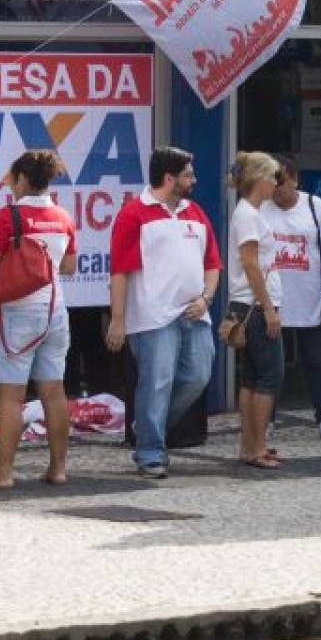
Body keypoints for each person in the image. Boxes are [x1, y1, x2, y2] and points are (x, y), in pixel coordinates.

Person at [106, 147, 222, 479]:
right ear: (169, 178)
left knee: (199, 375)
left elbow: (212, 264)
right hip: (152, 316)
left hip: (195, 312)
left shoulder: (195, 212)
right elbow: (120, 271)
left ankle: (146, 427)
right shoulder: (133, 214)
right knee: (157, 383)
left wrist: (207, 297)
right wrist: (118, 319)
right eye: (188, 175)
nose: (194, 180)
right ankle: (150, 451)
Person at [0, 151, 77, 490]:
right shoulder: (63, 216)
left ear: (21, 179)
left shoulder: (8, 217)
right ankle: (58, 469)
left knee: (11, 397)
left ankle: (3, 473)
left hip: (18, 312)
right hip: (55, 309)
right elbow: (68, 267)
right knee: (54, 392)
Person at [262, 155, 321, 441]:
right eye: (272, 182)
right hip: (274, 298)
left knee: (316, 360)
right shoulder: (262, 208)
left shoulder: (315, 206)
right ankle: (267, 418)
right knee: (274, 363)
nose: (276, 188)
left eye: (281, 182)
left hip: (310, 296)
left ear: (295, 180)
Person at [228, 151, 286, 470]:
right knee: (269, 375)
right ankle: (257, 446)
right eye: (273, 176)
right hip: (256, 304)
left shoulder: (247, 213)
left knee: (251, 376)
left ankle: (248, 445)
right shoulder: (249, 215)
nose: (275, 183)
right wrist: (268, 308)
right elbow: (250, 263)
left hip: (246, 302)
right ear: (259, 179)